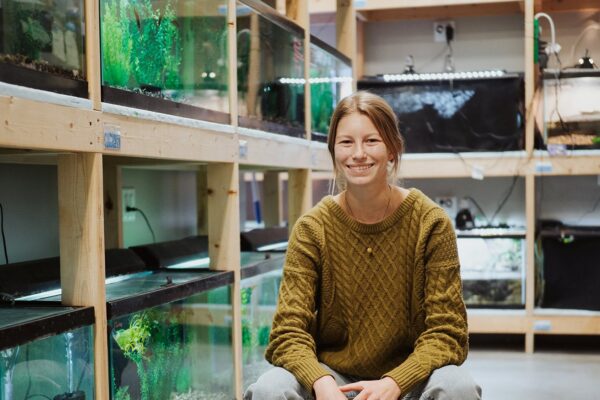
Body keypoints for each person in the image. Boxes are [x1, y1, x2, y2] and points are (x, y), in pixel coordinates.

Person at [245, 91, 481, 400]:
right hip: (333, 379)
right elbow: (287, 334)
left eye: (372, 141)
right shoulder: (312, 229)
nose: (358, 154)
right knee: (270, 388)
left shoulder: (431, 223)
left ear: (393, 150)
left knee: (457, 387)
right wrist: (322, 382)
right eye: (346, 142)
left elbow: (447, 333)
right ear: (334, 152)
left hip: (409, 380)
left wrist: (395, 382)